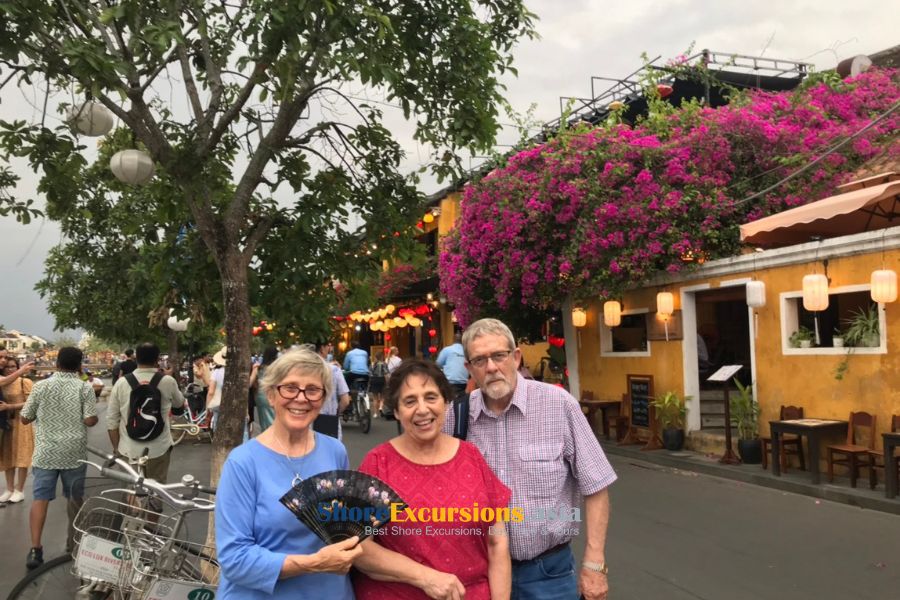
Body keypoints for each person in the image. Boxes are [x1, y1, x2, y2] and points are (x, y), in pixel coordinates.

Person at [449, 318, 617, 600]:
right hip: (479, 574)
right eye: (480, 360)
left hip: (548, 574)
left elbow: (596, 484)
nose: (491, 367)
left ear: (516, 357)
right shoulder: (456, 417)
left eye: (499, 355)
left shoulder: (558, 405)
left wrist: (594, 563)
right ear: (469, 368)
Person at [353, 358, 511, 599]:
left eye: (431, 397)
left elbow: (497, 543)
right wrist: (425, 577)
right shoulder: (378, 464)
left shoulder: (471, 456)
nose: (422, 409)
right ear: (396, 411)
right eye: (409, 401)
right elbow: (359, 546)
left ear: (446, 403)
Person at [215, 348, 362, 598]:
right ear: (271, 395)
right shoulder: (242, 463)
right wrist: (315, 563)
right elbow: (234, 559)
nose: (301, 398)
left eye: (313, 390)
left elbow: (342, 528)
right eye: (290, 388)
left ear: (323, 398)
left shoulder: (335, 451)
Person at [20, 346, 98, 569]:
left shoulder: (41, 386)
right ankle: (74, 543)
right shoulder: (84, 387)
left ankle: (35, 550)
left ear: (57, 364)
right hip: (73, 451)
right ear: (79, 365)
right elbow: (90, 420)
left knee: (40, 499)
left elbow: (25, 418)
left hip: (46, 452)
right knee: (75, 498)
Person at [106, 342, 186, 509]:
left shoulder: (122, 383)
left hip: (128, 449)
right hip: (159, 448)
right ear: (157, 360)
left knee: (131, 488)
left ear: (136, 358)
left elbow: (112, 421)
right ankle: (151, 522)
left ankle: (133, 520)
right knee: (157, 490)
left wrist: (116, 449)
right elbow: (179, 405)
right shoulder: (167, 381)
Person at [0, 356, 34, 504]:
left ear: (17, 367)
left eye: (13, 366)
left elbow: (31, 402)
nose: (10, 369)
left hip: (22, 422)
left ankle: (19, 490)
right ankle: (9, 488)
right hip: (6, 423)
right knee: (8, 456)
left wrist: (10, 407)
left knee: (22, 455)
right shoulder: (2, 382)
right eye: (7, 367)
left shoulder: (24, 382)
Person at [313, 342, 350, 439]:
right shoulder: (334, 370)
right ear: (322, 348)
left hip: (306, 423)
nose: (329, 349)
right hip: (329, 420)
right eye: (327, 346)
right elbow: (345, 401)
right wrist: (335, 412)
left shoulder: (300, 370)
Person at [250, 347, 280, 433]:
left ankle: (266, 434)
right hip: (272, 395)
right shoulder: (276, 369)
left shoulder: (259, 368)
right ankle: (273, 435)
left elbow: (251, 383)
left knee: (263, 419)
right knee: (273, 417)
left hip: (259, 396)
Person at [436, 331, 468, 401]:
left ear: (453, 340)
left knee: (448, 400)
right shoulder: (466, 351)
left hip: (450, 382)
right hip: (464, 383)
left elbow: (438, 364)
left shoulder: (447, 350)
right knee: (461, 401)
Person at [207, 347, 227, 431]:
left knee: (218, 425)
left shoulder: (216, 372)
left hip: (219, 403)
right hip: (234, 404)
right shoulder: (238, 373)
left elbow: (211, 392)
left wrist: (208, 407)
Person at [369, 350, 388, 417]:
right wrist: (387, 381)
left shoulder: (372, 364)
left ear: (375, 357)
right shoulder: (384, 364)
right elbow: (386, 373)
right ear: (382, 357)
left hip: (374, 380)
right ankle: (380, 407)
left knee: (375, 398)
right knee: (382, 396)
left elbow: (370, 374)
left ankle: (375, 413)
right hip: (381, 380)